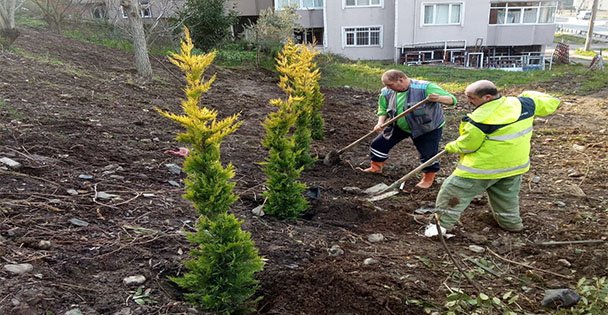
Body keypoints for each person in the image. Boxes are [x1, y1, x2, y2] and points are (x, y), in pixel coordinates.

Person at [430, 80, 560, 235]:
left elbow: (468, 145)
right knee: (506, 197)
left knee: (453, 191)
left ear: (487, 98)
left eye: (471, 98)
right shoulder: (524, 104)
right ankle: (512, 224)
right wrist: (527, 94)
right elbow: (551, 102)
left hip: (483, 169)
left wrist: (451, 146)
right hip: (515, 166)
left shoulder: (480, 119)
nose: (469, 101)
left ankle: (439, 229)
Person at [359, 69, 457, 189]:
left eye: (390, 85)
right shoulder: (386, 92)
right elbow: (383, 108)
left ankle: (428, 178)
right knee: (378, 144)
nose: (388, 88)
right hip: (399, 125)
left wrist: (438, 98)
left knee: (428, 154)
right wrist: (380, 122)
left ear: (400, 80)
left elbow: (452, 100)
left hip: (426, 127)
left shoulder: (425, 87)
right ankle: (376, 167)